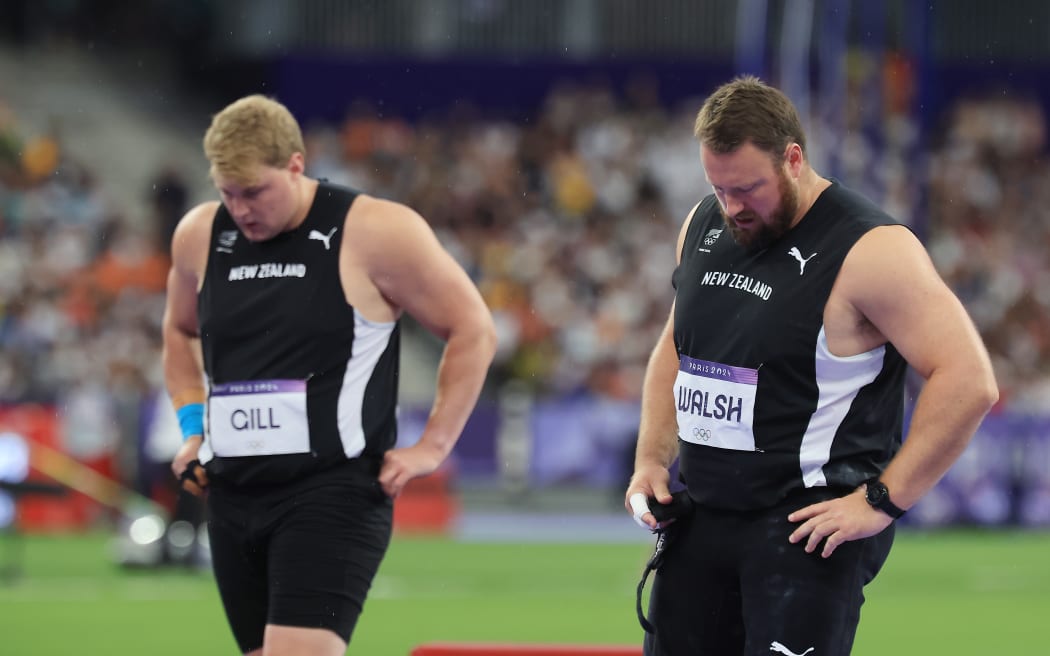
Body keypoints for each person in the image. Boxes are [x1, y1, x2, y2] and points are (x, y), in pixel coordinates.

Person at [624, 76, 998, 655]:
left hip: (804, 530)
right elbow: (676, 348)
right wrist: (650, 459)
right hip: (701, 519)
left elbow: (969, 380)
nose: (733, 208)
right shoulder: (703, 225)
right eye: (718, 188)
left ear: (793, 159)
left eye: (748, 188)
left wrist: (883, 500)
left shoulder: (871, 249)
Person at [162, 94, 497, 656]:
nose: (241, 210)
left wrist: (432, 446)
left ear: (296, 165)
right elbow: (178, 330)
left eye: (255, 192)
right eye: (227, 192)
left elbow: (472, 328)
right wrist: (193, 429)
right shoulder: (200, 233)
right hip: (232, 492)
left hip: (332, 489)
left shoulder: (376, 230)